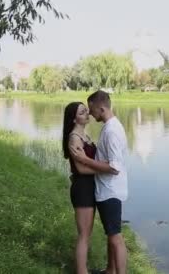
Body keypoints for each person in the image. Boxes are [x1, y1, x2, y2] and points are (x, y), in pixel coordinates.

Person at [71, 91, 128, 274]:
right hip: (106, 189)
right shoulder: (110, 126)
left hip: (110, 190)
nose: (89, 112)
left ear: (101, 108)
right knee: (111, 235)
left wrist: (85, 160)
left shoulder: (111, 130)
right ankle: (110, 270)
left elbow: (114, 167)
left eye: (91, 109)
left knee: (115, 238)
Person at [62, 102, 119, 274]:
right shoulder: (74, 138)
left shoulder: (84, 135)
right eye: (82, 112)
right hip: (82, 188)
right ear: (74, 119)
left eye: (86, 110)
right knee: (84, 235)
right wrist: (105, 168)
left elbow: (89, 163)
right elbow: (80, 169)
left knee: (88, 234)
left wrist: (101, 167)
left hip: (90, 186)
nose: (87, 113)